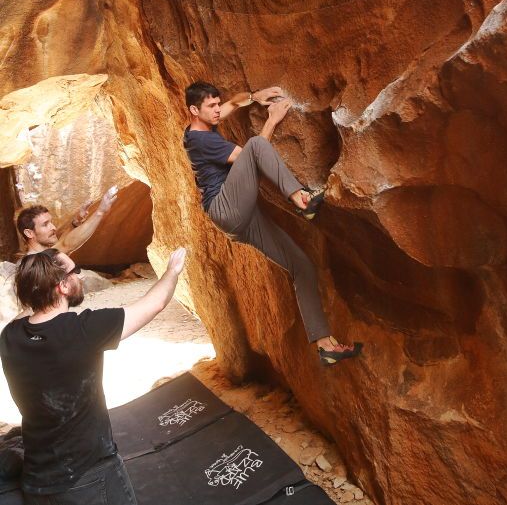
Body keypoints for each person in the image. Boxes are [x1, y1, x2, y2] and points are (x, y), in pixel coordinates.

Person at [183, 81, 362, 366]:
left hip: (241, 219)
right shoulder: (200, 139)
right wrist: (273, 118)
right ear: (194, 110)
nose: (218, 111)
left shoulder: (203, 124)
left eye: (217, 105)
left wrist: (255, 96)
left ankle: (324, 344)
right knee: (255, 144)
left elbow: (233, 103)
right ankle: (302, 199)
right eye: (211, 107)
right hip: (226, 207)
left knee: (301, 265)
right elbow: (251, 156)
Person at [0, 245, 187, 504]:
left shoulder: (11, 336)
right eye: (75, 272)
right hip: (89, 477)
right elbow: (154, 304)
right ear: (62, 287)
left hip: (37, 480)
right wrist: (172, 270)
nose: (81, 276)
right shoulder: (82, 331)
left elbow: (30, 313)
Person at [16, 186, 119, 256]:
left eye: (51, 222)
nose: (53, 227)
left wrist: (76, 221)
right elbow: (66, 245)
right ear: (29, 233)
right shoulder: (36, 260)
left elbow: (62, 243)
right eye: (45, 225)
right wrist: (100, 212)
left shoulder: (42, 255)